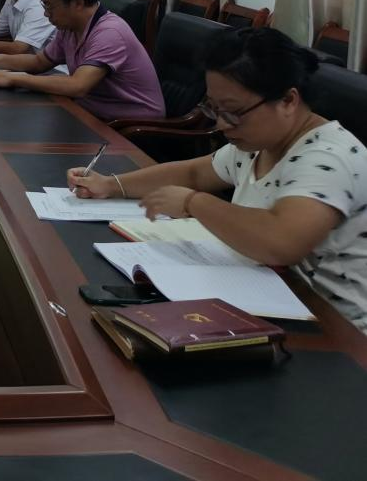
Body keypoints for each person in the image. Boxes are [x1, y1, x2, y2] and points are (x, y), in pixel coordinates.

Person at [68, 28, 367, 333]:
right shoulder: (260, 143)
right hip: (264, 297)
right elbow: (193, 173)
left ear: (288, 100)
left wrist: (193, 203)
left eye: (233, 112)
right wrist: (110, 184)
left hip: (333, 330)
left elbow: (281, 242)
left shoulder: (328, 158)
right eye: (214, 108)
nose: (222, 124)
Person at [0, 0, 164, 121]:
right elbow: (39, 62)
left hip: (133, 125)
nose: (46, 14)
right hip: (92, 111)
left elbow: (77, 85)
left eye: (50, 6)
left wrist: (14, 78)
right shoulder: (70, 27)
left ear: (77, 3)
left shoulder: (110, 33)